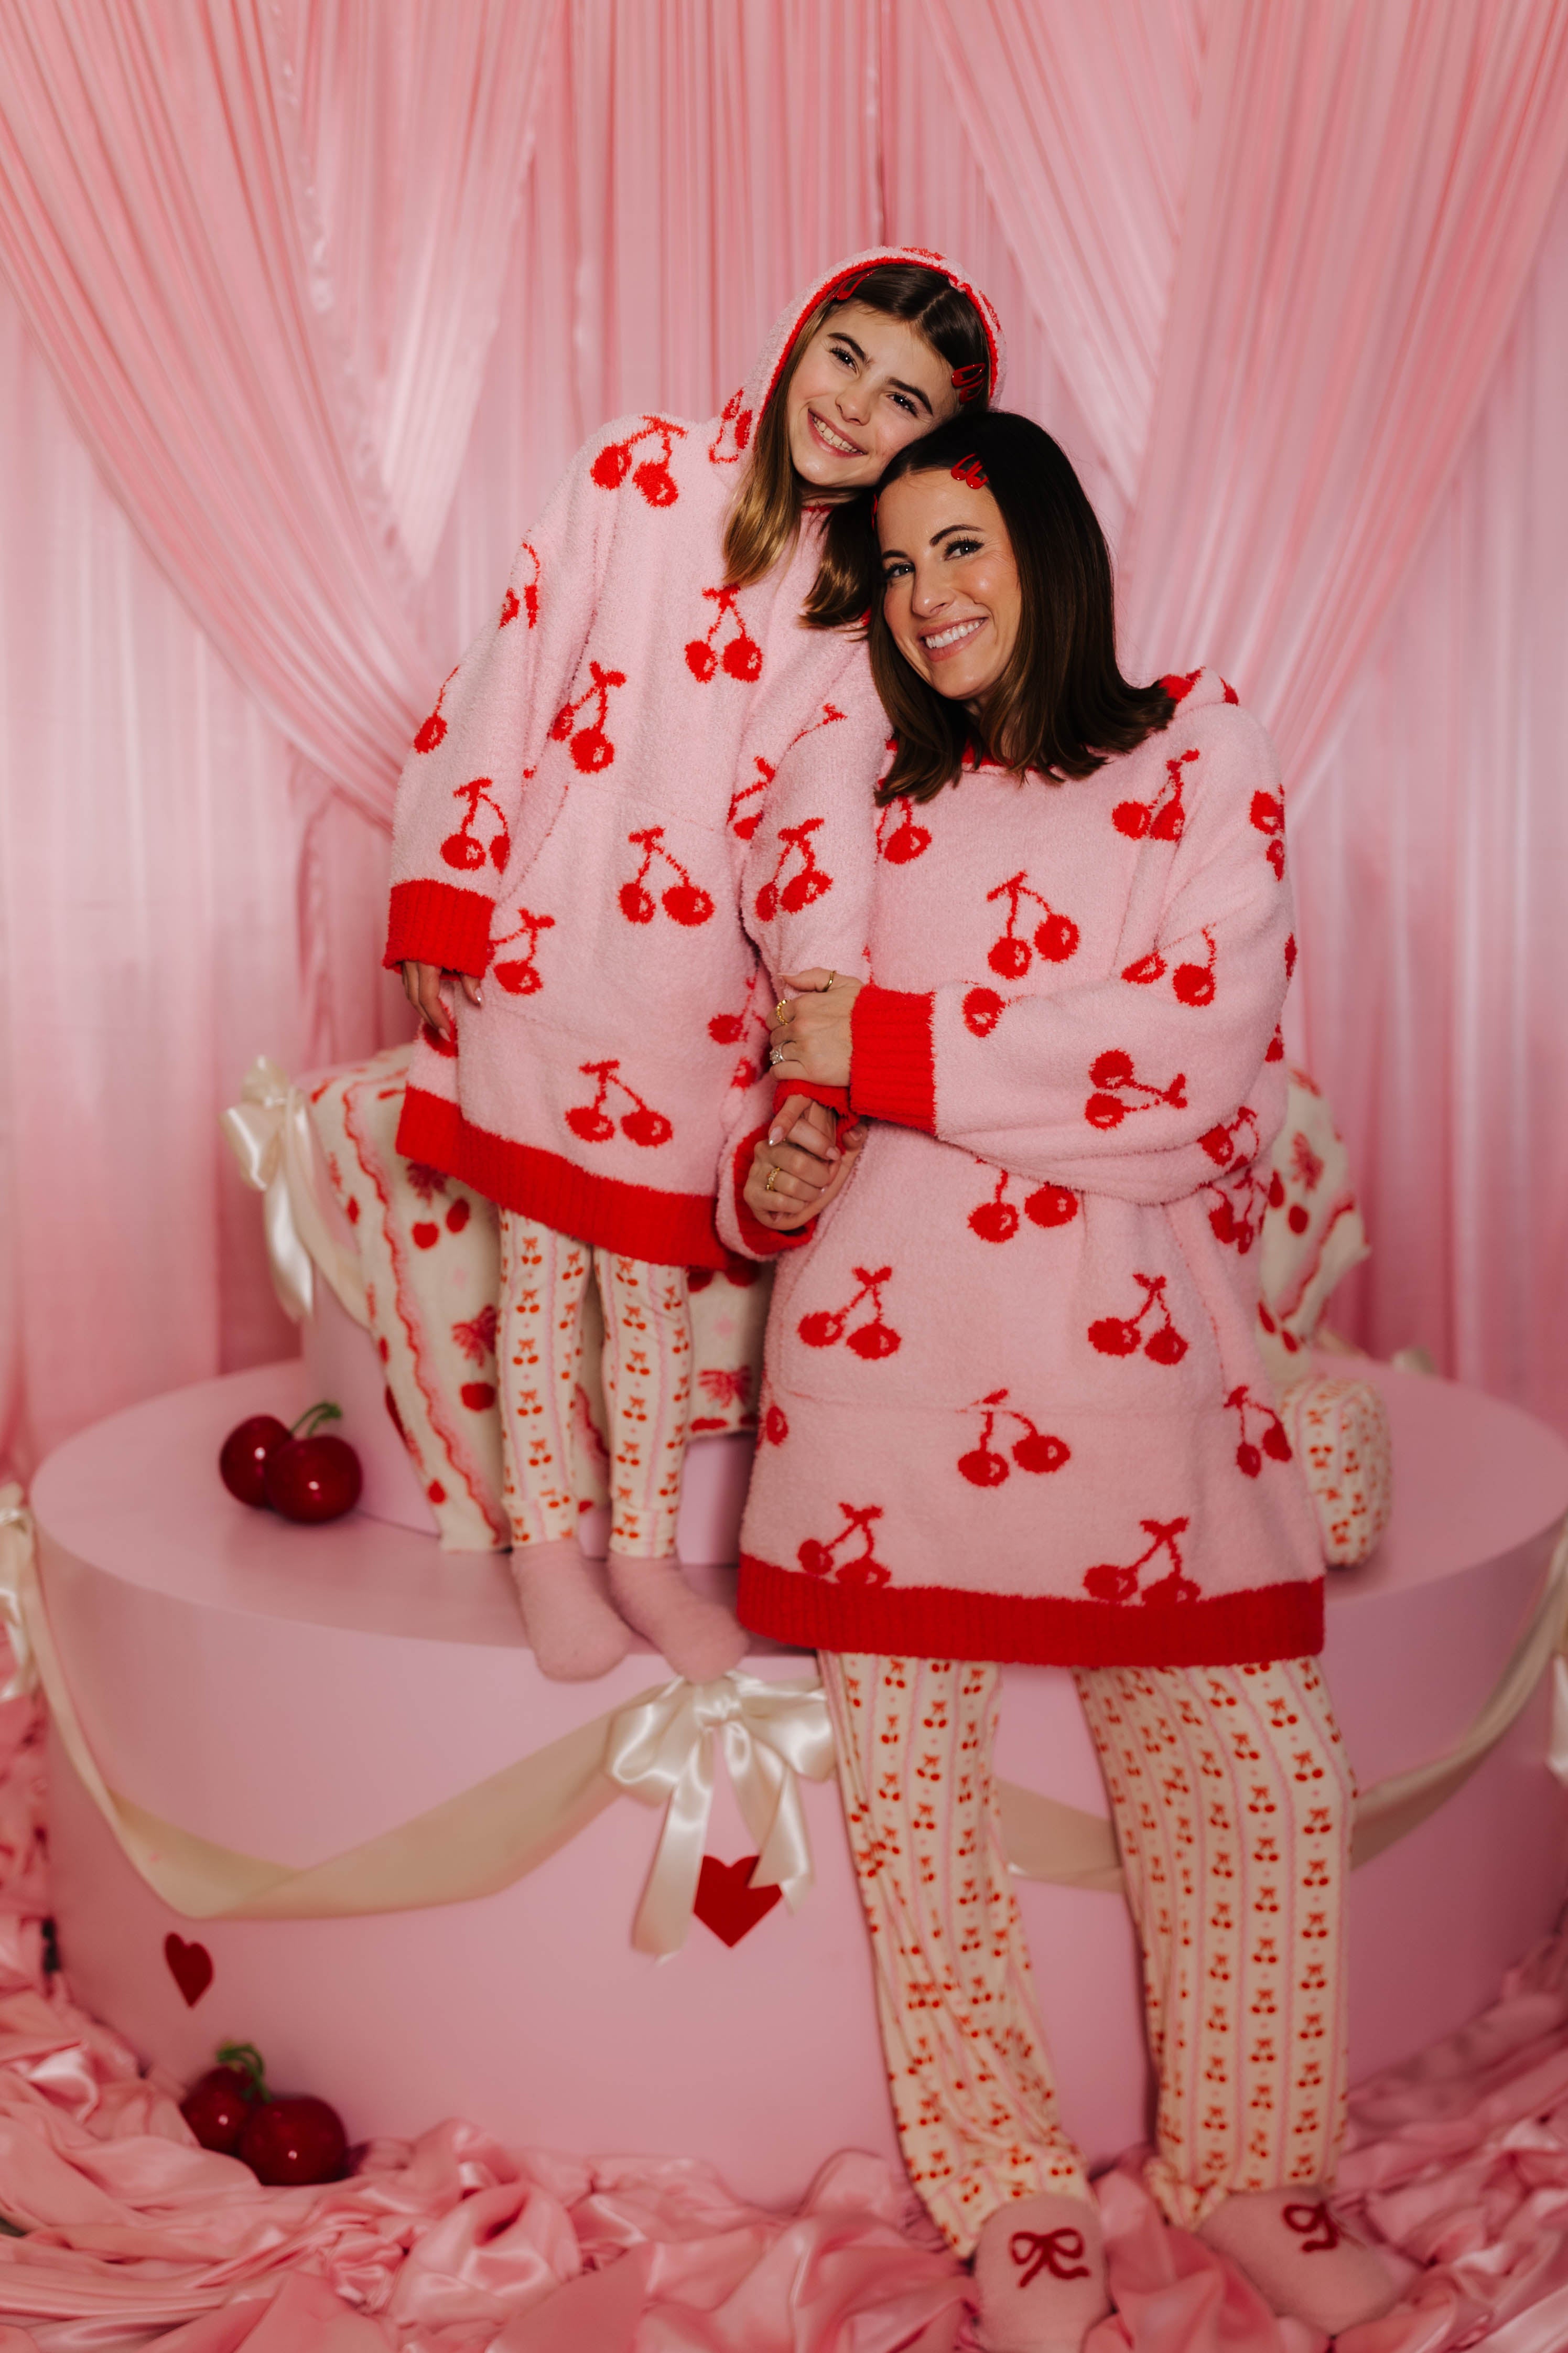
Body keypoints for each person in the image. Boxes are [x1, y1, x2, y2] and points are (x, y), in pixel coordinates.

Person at [726, 412, 1398, 2352]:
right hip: (882, 1384)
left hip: (1142, 1382)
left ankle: (1252, 2167)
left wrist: (895, 1054)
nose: (928, 597)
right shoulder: (869, 801)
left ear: (1053, 545)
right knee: (916, 1827)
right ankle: (1010, 2189)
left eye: (965, 547)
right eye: (897, 566)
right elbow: (799, 1082)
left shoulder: (1200, 751)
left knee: (1259, 1777)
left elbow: (1193, 1069)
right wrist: (778, 1169)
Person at [384, 252, 1003, 1683]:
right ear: (801, 336)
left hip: (688, 1008)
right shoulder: (638, 474)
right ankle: (550, 1551)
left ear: (936, 443)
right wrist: (448, 893)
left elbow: (822, 828)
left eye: (904, 401)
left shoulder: (867, 617)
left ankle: (645, 1561)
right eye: (845, 357)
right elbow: (513, 667)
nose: (853, 406)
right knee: (542, 1287)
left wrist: (822, 1016)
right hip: (542, 958)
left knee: (650, 1308)